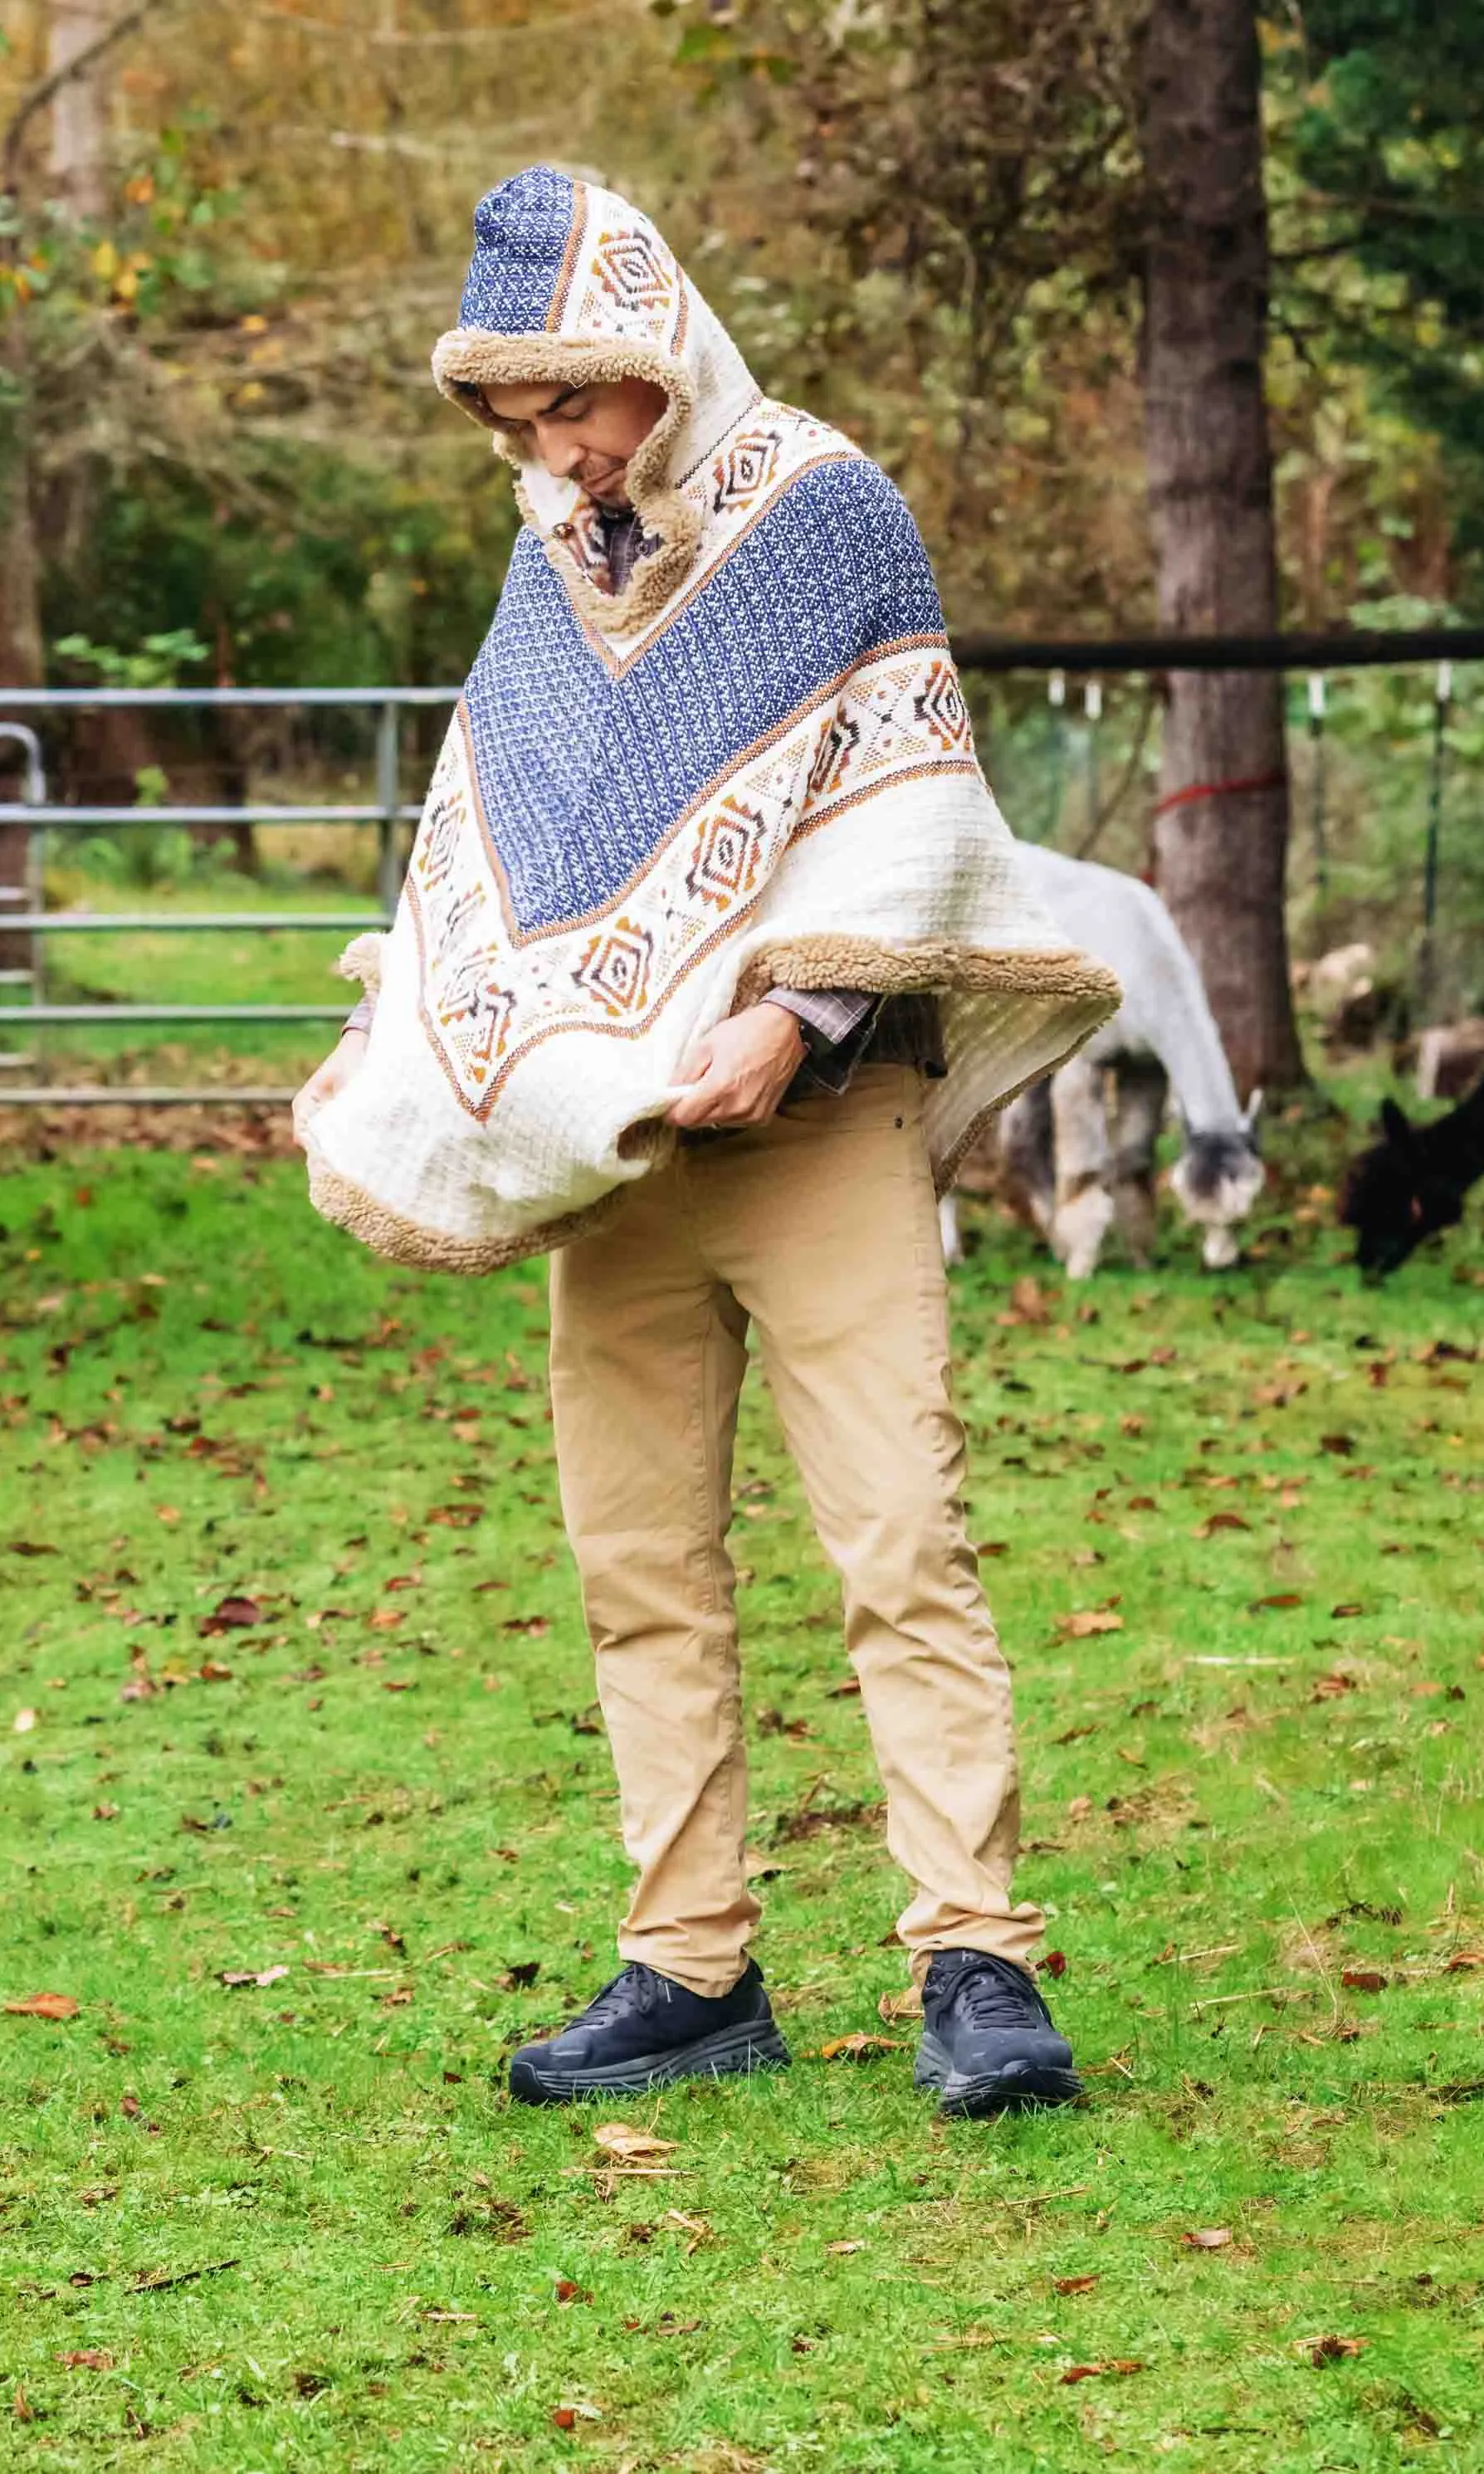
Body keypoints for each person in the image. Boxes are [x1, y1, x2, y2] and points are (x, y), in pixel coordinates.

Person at [296, 167, 1118, 2118]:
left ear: (656, 346)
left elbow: (903, 794)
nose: (551, 446)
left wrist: (794, 1010)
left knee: (898, 1537)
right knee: (638, 1556)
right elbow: (492, 847)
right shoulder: (550, 560)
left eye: (573, 400)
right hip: (626, 1154)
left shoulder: (829, 509)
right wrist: (403, 1034)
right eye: (514, 420)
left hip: (825, 1122)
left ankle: (975, 1960)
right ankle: (688, 1969)